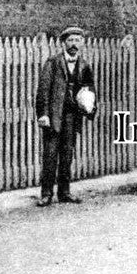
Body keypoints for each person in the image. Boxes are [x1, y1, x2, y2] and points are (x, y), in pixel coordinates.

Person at [35, 25, 96, 206]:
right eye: (70, 40)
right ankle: (46, 194)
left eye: (77, 40)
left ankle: (65, 192)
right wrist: (43, 114)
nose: (73, 44)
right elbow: (43, 91)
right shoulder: (53, 63)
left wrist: (90, 108)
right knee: (50, 155)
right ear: (63, 43)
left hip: (72, 116)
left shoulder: (84, 65)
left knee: (67, 155)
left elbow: (90, 89)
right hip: (54, 116)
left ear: (82, 43)